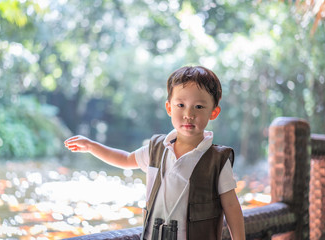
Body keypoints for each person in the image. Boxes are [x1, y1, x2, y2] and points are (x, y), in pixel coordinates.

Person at [64, 66, 245, 240]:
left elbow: (231, 205)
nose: (188, 114)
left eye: (198, 107)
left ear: (213, 112)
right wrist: (91, 146)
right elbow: (125, 159)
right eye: (180, 105)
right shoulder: (158, 148)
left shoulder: (217, 160)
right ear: (169, 108)